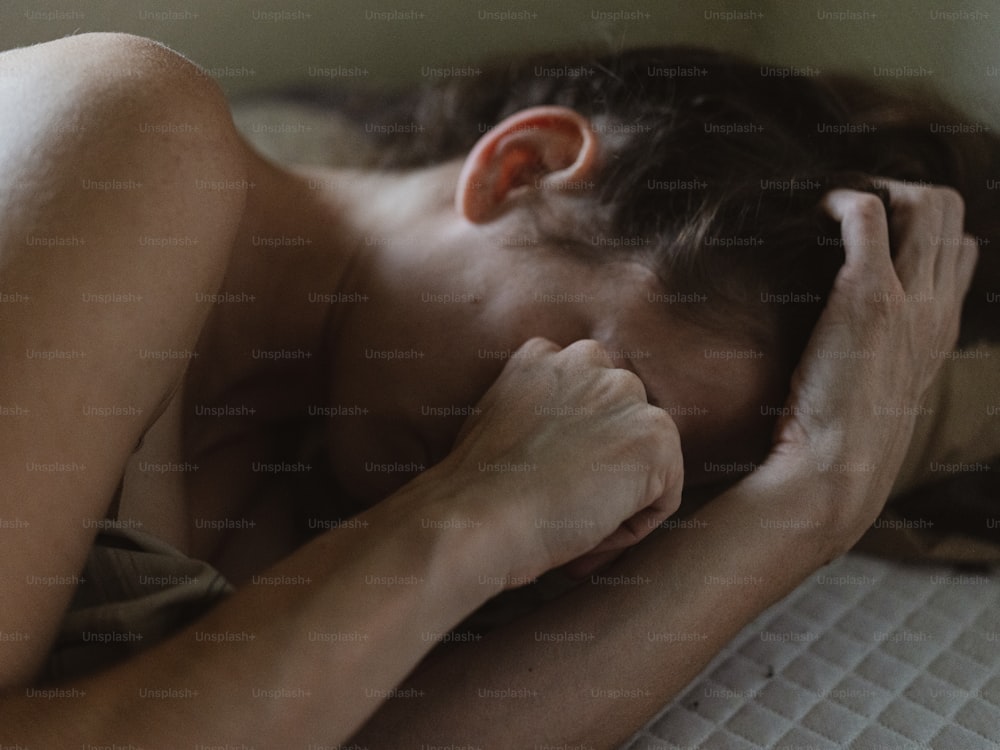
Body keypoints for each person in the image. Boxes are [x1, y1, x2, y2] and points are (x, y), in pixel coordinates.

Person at [0, 33, 990, 748]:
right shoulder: (130, 125)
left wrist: (810, 497)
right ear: (523, 167)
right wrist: (470, 507)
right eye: (603, 390)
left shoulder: (309, 501)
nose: (587, 511)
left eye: (648, 491)